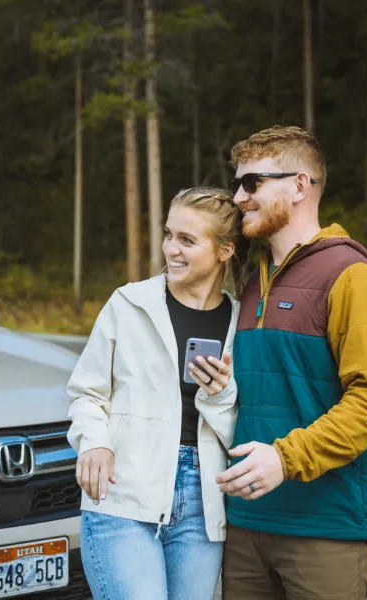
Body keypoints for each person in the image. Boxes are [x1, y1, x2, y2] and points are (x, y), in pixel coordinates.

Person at [216, 125, 367, 599]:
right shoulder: (249, 280)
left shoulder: (351, 275)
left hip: (326, 527)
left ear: (299, 186)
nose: (239, 196)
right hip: (245, 524)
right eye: (237, 184)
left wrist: (284, 457)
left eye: (252, 183)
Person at [66, 187, 248, 600]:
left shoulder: (240, 323)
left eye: (187, 240)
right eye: (169, 235)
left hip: (203, 506)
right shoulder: (129, 304)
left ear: (224, 251)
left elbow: (241, 426)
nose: (171, 250)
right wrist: (95, 443)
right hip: (123, 494)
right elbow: (86, 393)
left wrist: (219, 396)